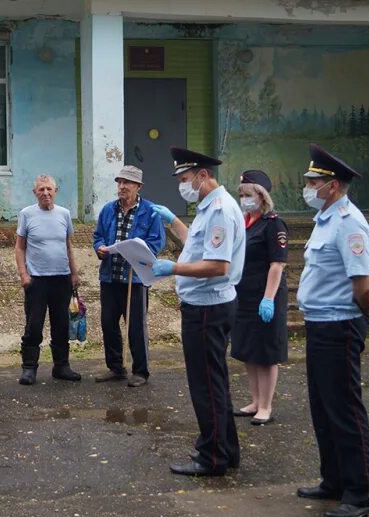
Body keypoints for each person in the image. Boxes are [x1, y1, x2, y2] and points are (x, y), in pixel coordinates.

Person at [295, 144, 369, 517]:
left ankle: (360, 492)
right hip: (319, 324)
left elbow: (363, 285)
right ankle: (333, 479)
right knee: (323, 407)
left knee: (344, 409)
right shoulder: (326, 220)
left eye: (313, 181)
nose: (307, 186)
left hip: (340, 327)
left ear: (332, 186)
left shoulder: (349, 223)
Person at [150, 147, 245, 477]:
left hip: (208, 308)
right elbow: (199, 246)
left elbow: (217, 265)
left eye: (185, 178)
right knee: (214, 381)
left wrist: (173, 268)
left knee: (206, 385)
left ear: (203, 175)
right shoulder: (209, 207)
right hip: (208, 306)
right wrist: (173, 220)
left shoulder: (218, 210)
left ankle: (212, 456)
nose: (182, 185)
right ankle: (227, 450)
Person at [92, 165, 165, 387]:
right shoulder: (107, 210)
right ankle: (115, 367)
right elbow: (98, 236)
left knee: (136, 326)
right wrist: (100, 248)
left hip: (135, 278)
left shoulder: (150, 211)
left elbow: (156, 242)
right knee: (108, 324)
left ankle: (140, 371)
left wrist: (137, 251)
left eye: (127, 183)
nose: (122, 187)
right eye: (120, 182)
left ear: (138, 186)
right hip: (110, 276)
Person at [230, 170, 289, 426]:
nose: (244, 199)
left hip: (266, 295)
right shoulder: (244, 223)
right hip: (243, 295)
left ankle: (266, 405)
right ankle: (254, 400)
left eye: (248, 194)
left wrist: (268, 298)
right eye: (241, 194)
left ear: (262, 196)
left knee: (265, 353)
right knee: (248, 350)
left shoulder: (273, 223)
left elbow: (277, 264)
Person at [16, 174, 81, 385]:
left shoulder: (64, 214)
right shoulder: (26, 214)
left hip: (61, 278)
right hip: (37, 280)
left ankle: (62, 366)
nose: (45, 193)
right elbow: (19, 247)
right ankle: (29, 368)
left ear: (55, 191)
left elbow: (68, 246)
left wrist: (74, 273)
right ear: (35, 193)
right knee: (34, 325)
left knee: (61, 324)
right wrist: (23, 274)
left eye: (49, 189)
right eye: (41, 189)